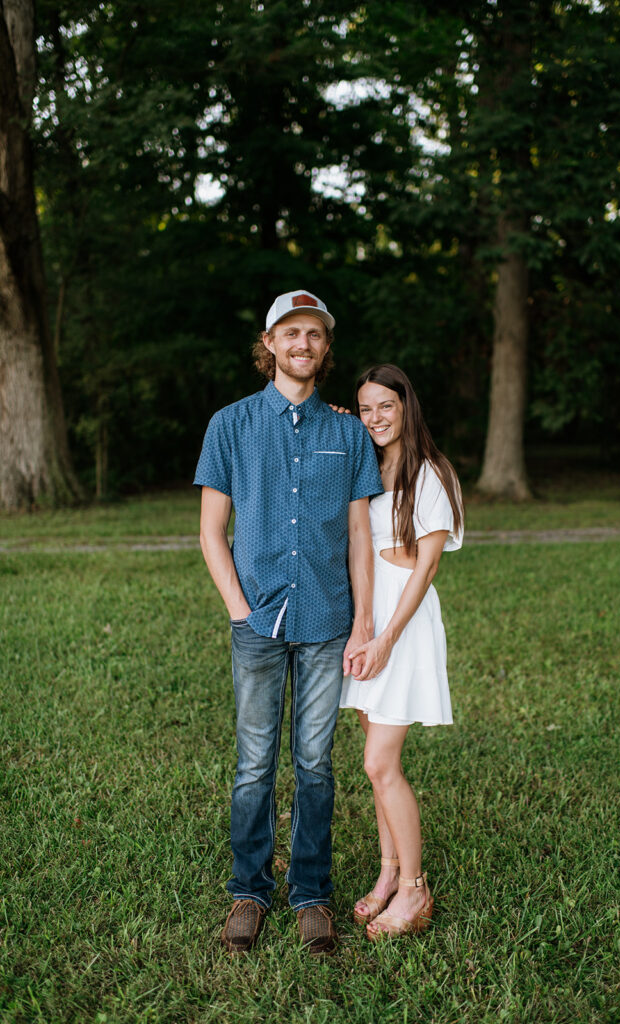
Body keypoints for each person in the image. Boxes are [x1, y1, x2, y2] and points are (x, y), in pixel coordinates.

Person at [194, 290, 382, 955]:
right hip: (257, 622)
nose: (303, 343)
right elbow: (212, 531)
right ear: (269, 344)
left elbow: (361, 534)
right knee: (253, 764)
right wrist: (240, 610)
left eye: (315, 334)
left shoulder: (347, 431)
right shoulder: (230, 425)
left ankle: (310, 895)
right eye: (290, 332)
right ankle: (249, 891)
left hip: (330, 619)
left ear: (326, 348)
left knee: (314, 764)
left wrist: (362, 622)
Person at [339, 363, 463, 939]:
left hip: (404, 624)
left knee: (378, 762)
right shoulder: (370, 464)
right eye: (365, 408)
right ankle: (388, 872)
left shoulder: (432, 473)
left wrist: (386, 636)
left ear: (406, 405)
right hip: (368, 615)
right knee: (374, 756)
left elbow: (427, 566)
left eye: (385, 406)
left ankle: (414, 891)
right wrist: (363, 626)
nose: (375, 418)